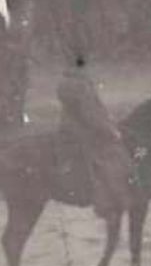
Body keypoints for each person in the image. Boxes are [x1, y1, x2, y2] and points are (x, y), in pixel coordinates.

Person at [56, 57, 134, 218]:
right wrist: (111, 130)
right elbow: (90, 114)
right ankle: (107, 202)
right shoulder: (81, 85)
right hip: (83, 132)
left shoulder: (65, 82)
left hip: (70, 128)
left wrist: (109, 121)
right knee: (112, 156)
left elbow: (94, 110)